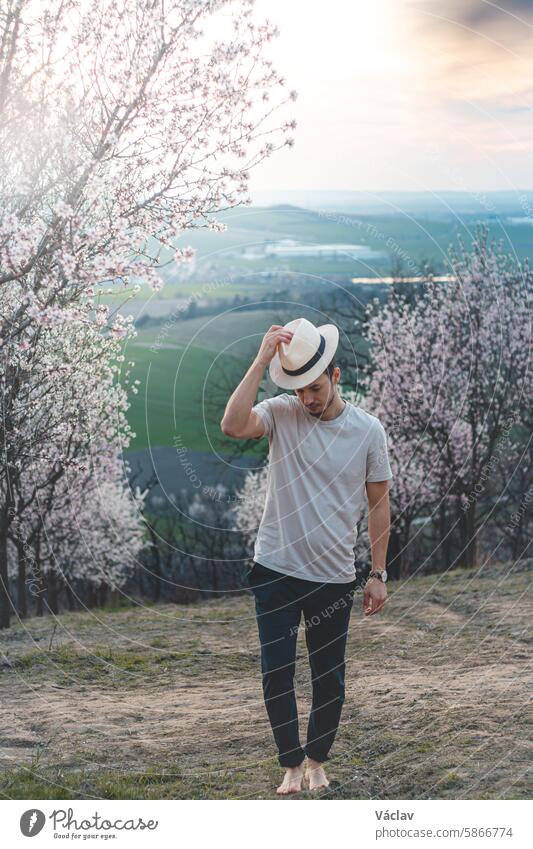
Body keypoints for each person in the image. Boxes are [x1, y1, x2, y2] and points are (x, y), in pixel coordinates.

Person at [220, 318, 393, 794]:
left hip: (333, 577)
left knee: (328, 678)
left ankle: (317, 760)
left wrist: (378, 572)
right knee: (276, 673)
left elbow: (379, 505)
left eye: (315, 388)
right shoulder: (280, 412)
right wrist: (260, 360)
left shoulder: (368, 432)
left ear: (335, 377)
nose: (308, 399)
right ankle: (291, 765)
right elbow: (233, 424)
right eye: (299, 390)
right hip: (274, 569)